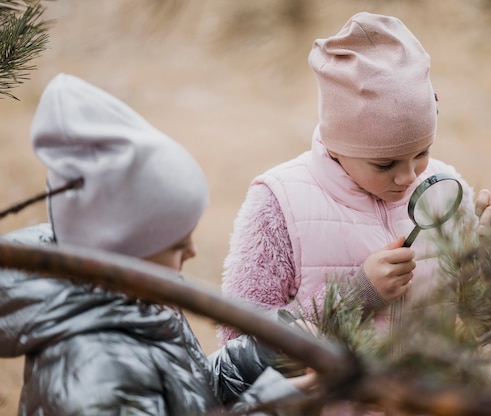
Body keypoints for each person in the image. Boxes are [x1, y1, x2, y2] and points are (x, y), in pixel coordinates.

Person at [218, 9, 491, 388]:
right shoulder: (278, 204)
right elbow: (237, 355)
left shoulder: (443, 192)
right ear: (336, 142)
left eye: (421, 152)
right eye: (384, 164)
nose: (409, 176)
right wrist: (355, 295)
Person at [0, 73, 313, 416]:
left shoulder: (139, 303)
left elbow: (189, 397)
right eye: (177, 244)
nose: (193, 252)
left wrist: (265, 353)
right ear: (123, 254)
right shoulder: (96, 369)